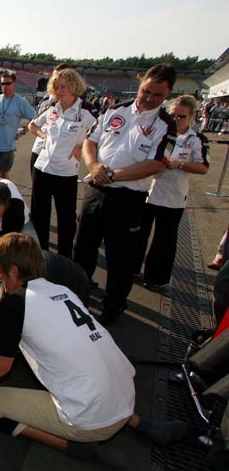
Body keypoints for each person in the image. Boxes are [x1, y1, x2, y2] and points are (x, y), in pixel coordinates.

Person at [0, 233, 138, 468]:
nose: (0, 279)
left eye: (0, 272)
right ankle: (140, 424)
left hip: (92, 419)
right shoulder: (63, 291)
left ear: (13, 271)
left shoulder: (15, 302)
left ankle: (76, 448)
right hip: (126, 396)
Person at [72, 64, 177, 325]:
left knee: (121, 259)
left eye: (157, 95)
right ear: (141, 84)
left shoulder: (166, 124)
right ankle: (75, 300)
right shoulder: (115, 109)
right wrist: (94, 166)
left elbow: (157, 163)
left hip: (128, 199)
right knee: (82, 249)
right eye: (146, 91)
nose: (149, 98)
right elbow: (90, 141)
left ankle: (113, 306)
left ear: (168, 94)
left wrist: (114, 175)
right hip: (95, 191)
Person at [134, 95, 209, 290]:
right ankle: (131, 268)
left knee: (164, 240)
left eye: (181, 116)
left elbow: (203, 167)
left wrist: (181, 164)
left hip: (173, 196)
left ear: (191, 117)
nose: (176, 119)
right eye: (173, 115)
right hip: (148, 190)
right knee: (137, 234)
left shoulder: (196, 139)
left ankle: (156, 279)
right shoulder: (159, 132)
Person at [27, 68, 98, 258]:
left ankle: (66, 259)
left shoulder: (86, 112)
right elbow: (32, 125)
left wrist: (83, 145)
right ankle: (41, 256)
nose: (60, 91)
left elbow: (102, 136)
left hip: (65, 174)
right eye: (57, 87)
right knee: (39, 216)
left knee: (66, 220)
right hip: (42, 168)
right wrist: (43, 135)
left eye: (64, 87)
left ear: (74, 86)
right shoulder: (51, 108)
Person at [0, 71, 36, 179]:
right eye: (2, 84)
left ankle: (8, 195)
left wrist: (22, 133)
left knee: (4, 174)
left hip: (7, 146)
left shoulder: (21, 101)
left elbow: (34, 118)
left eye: (8, 83)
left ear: (14, 84)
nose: (4, 86)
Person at [29, 63, 71, 173]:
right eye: (54, 77)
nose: (55, 80)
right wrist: (44, 137)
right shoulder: (46, 101)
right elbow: (33, 125)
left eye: (59, 77)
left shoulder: (78, 105)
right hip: (40, 150)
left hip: (62, 157)